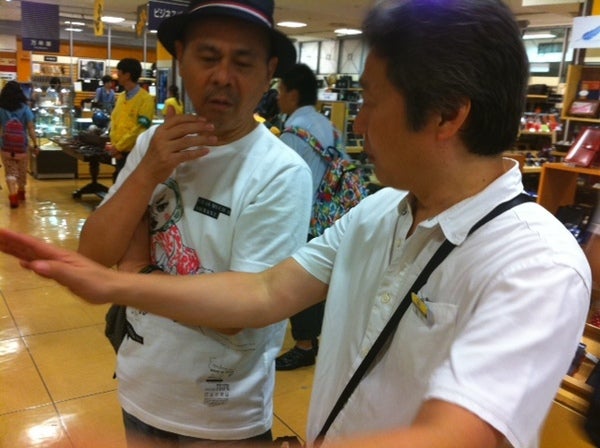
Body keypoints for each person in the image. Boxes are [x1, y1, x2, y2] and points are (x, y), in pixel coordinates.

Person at [0, 1, 592, 447]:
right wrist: (111, 283)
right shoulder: (381, 212)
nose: (358, 124)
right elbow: (265, 291)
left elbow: (456, 434)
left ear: (446, 115)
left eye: (371, 101)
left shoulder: (534, 264)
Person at [79, 1, 310, 447]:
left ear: (269, 73)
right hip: (140, 389)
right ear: (181, 58)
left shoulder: (279, 172)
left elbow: (238, 313)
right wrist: (148, 171)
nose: (222, 76)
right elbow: (94, 253)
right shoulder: (155, 143)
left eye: (243, 62)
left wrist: (137, 272)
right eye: (207, 57)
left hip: (221, 416)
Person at [274, 63, 348, 370]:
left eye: (280, 90)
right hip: (331, 213)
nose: (278, 97)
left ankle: (304, 345)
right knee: (320, 277)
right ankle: (314, 339)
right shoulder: (328, 125)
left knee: (299, 279)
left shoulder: (292, 134)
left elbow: (281, 183)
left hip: (303, 217)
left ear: (292, 94)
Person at [104, 58, 155, 182]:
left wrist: (119, 147)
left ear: (127, 75)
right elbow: (115, 121)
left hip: (134, 154)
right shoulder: (121, 97)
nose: (117, 76)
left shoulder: (146, 99)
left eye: (119, 72)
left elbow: (140, 129)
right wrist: (114, 147)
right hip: (119, 153)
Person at [0, 81, 39, 208]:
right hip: (22, 145)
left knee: (10, 171)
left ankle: (13, 196)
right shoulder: (25, 108)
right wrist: (35, 144)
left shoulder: (1, 109)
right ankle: (21, 192)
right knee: (22, 170)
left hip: (5, 145)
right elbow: (31, 128)